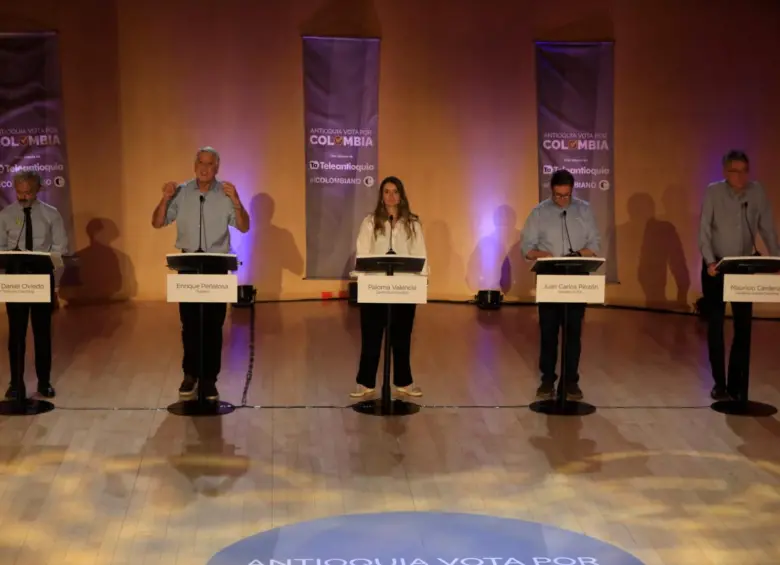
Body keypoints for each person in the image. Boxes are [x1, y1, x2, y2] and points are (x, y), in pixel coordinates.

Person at [151, 147, 250, 402]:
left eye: (210, 164)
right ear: (194, 164)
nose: (204, 168)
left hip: (216, 265)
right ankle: (190, 374)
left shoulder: (226, 193)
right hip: (188, 265)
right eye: (200, 163)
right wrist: (164, 198)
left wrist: (237, 202)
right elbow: (158, 222)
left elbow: (244, 226)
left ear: (217, 168)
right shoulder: (181, 192)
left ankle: (209, 380)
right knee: (190, 324)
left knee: (214, 326)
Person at [699, 150, 779, 401]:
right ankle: (719, 383)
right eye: (734, 171)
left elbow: (767, 227)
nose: (740, 176)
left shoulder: (756, 192)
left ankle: (736, 382)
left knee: (743, 327)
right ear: (725, 172)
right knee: (715, 326)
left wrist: (776, 257)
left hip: (744, 267)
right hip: (717, 267)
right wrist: (710, 260)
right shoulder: (714, 191)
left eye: (744, 170)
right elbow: (704, 229)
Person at [521, 169, 601, 401]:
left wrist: (577, 254)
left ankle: (570, 381)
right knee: (549, 332)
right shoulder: (539, 212)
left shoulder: (584, 210)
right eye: (557, 196)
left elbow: (594, 243)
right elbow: (527, 248)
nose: (562, 201)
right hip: (549, 276)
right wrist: (543, 254)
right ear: (551, 190)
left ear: (572, 190)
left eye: (566, 196)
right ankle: (547, 381)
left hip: (576, 277)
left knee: (573, 332)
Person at [350, 176, 427, 399]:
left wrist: (422, 279)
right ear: (381, 196)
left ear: (401, 195)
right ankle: (365, 382)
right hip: (375, 287)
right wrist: (362, 278)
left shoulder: (412, 223)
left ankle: (404, 382)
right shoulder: (369, 222)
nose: (391, 196)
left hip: (404, 287)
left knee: (402, 336)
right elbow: (362, 252)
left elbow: (420, 253)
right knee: (371, 335)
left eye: (395, 191)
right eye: (386, 191)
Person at [0, 171, 69, 401]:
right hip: (15, 279)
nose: (23, 196)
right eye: (19, 192)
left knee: (42, 333)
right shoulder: (6, 215)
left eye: (28, 192)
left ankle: (44, 382)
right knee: (16, 334)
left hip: (41, 278)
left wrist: (56, 282)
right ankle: (16, 383)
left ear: (38, 188)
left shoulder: (52, 215)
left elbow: (60, 248)